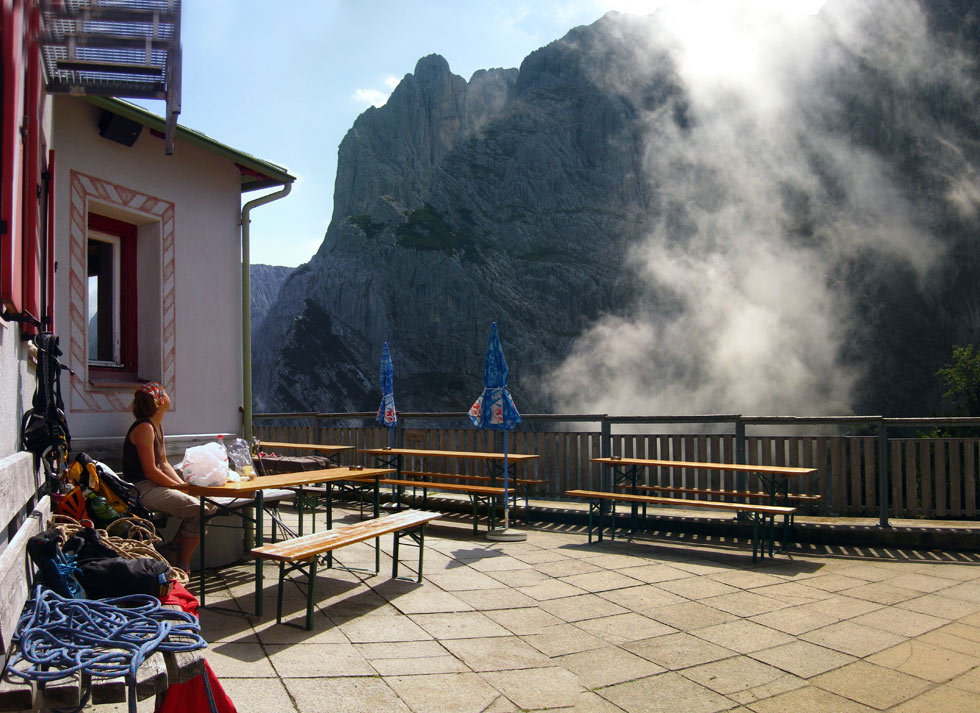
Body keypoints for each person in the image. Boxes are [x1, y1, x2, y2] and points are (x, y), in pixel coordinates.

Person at [121, 382, 202, 572]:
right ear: (158, 401)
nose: (168, 395)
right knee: (199, 510)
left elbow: (164, 463)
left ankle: (171, 550)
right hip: (142, 488)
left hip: (154, 485)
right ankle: (183, 566)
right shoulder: (144, 428)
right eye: (164, 393)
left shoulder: (157, 426)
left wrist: (182, 484)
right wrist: (177, 487)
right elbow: (150, 471)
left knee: (207, 504)